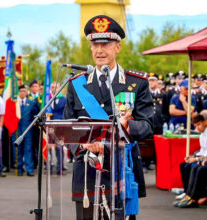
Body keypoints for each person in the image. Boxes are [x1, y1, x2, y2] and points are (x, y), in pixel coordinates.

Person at [63, 14, 152, 219]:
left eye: (106, 44)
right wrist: (82, 146)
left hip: (122, 167)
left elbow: (148, 125)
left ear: (117, 47)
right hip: (87, 168)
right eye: (95, 45)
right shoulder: (77, 84)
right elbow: (68, 125)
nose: (100, 50)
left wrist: (127, 127)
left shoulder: (136, 83)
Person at [176, 116, 207, 208]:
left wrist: (203, 159)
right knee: (188, 166)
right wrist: (195, 156)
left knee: (197, 168)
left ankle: (193, 198)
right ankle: (189, 194)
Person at [178, 114, 207, 200]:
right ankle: (186, 191)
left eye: (199, 125)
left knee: (189, 166)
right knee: (183, 165)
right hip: (202, 155)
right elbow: (202, 150)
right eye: (196, 126)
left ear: (204, 122)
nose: (197, 128)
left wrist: (196, 158)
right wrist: (193, 156)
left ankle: (191, 193)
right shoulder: (202, 135)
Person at [12, 85, 38, 176]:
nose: (22, 92)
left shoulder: (31, 103)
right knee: (17, 150)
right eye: (21, 91)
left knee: (28, 150)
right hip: (16, 130)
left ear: (26, 92)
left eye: (24, 91)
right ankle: (19, 169)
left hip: (27, 131)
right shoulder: (14, 103)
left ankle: (29, 169)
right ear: (18, 92)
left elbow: (35, 116)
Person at [50, 82, 67, 175]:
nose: (54, 89)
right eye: (52, 87)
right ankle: (50, 166)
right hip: (50, 126)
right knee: (49, 147)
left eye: (56, 87)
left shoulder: (64, 99)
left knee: (59, 148)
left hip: (60, 126)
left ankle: (60, 168)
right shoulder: (48, 99)